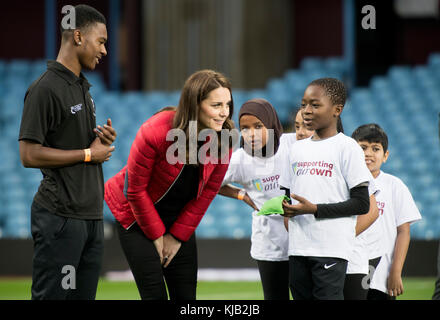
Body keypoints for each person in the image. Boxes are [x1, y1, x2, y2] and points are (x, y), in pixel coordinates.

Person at [104, 70, 235, 300]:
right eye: (216, 105)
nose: (224, 113)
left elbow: (208, 193)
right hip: (135, 217)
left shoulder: (224, 139)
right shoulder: (155, 130)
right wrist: (157, 235)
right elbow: (135, 190)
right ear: (195, 104)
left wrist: (175, 237)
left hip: (176, 222)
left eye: (228, 104)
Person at [18, 4, 116, 300]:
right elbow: (28, 155)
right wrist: (88, 154)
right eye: (101, 41)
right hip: (60, 219)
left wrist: (101, 139)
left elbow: (76, 143)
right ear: (77, 36)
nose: (104, 51)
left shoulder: (83, 88)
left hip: (90, 218)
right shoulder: (44, 89)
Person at [279, 78, 373, 300]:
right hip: (298, 248)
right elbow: (285, 196)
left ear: (337, 110)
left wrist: (314, 209)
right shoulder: (295, 149)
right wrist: (284, 208)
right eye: (303, 105)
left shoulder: (348, 147)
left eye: (315, 105)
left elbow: (362, 203)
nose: (307, 111)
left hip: (330, 248)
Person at [218, 98, 297, 300]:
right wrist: (241, 194)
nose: (251, 133)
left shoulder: (292, 144)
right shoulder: (239, 159)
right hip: (269, 246)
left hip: (302, 241)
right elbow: (212, 183)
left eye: (258, 126)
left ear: (271, 124)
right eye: (244, 128)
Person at [350, 124, 422, 300]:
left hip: (381, 272)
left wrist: (396, 272)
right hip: (350, 267)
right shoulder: (344, 183)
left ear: (386, 156)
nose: (368, 153)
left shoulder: (394, 186)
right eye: (362, 148)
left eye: (375, 149)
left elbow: (404, 231)